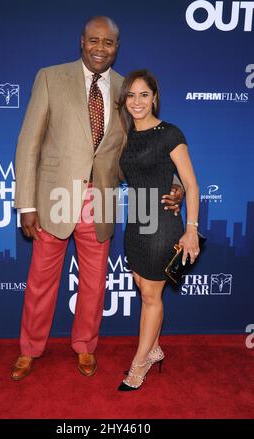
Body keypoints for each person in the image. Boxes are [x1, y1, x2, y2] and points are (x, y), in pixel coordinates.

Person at [11, 17, 183, 381]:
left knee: (93, 281)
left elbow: (142, 145)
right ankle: (29, 350)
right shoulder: (49, 77)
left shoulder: (126, 89)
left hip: (101, 198)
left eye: (108, 42)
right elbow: (28, 144)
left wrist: (173, 181)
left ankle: (85, 346)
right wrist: (26, 204)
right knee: (41, 280)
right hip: (53, 196)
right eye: (94, 40)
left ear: (116, 47)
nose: (100, 48)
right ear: (82, 42)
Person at [117, 69, 199, 391]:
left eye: (144, 95)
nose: (137, 102)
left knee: (151, 297)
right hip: (135, 223)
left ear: (155, 98)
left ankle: (140, 364)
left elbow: (191, 183)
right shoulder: (126, 135)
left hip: (162, 226)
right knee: (143, 286)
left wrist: (191, 229)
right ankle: (154, 348)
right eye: (132, 95)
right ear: (124, 99)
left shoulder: (170, 133)